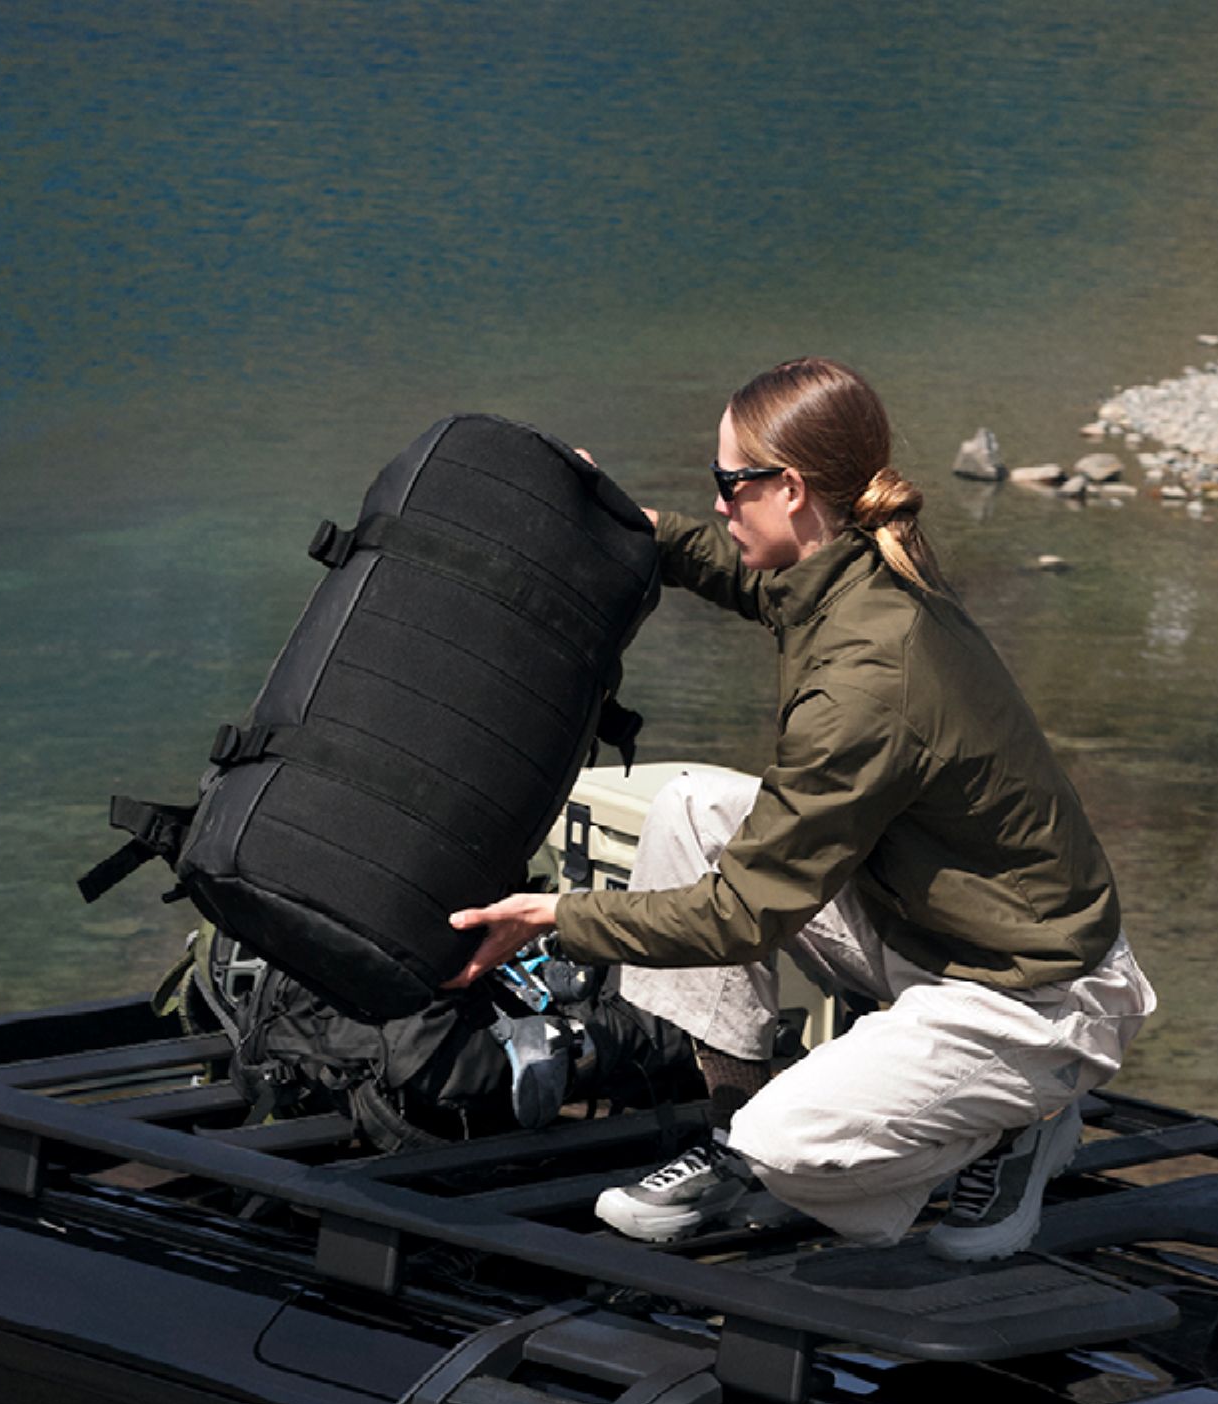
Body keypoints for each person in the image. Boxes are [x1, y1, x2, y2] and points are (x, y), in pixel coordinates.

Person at [450, 357, 1153, 1258]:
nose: (718, 505)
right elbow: (752, 581)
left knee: (791, 1145)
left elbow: (742, 914)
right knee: (692, 810)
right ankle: (732, 1138)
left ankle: (1018, 1121)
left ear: (789, 489)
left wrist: (558, 917)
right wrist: (624, 522)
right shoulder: (855, 572)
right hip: (933, 937)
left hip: (1036, 999)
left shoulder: (868, 676)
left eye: (728, 484)